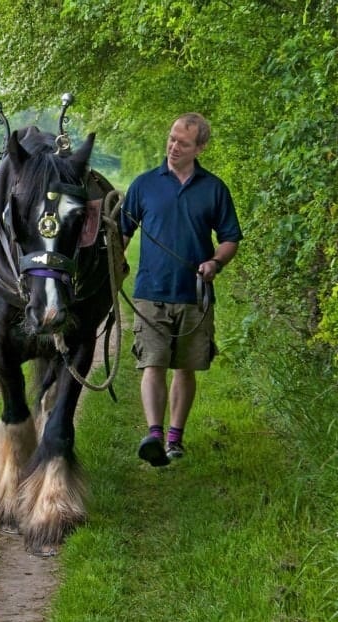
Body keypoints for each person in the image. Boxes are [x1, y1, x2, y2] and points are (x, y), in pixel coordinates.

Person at [120, 113, 244, 467]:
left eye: (183, 143)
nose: (173, 147)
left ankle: (176, 437)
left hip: (194, 293)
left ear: (200, 147)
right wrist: (111, 263)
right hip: (150, 292)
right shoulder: (144, 185)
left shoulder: (214, 188)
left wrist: (215, 263)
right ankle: (154, 435)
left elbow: (230, 237)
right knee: (152, 363)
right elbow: (123, 235)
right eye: (171, 138)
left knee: (185, 368)